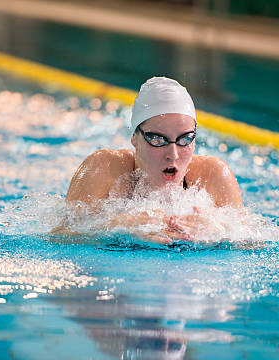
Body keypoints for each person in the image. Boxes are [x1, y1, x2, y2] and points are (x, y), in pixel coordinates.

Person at [61, 76, 243, 243]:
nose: (173, 154)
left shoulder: (213, 175)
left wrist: (219, 233)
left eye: (185, 139)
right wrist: (119, 227)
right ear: (134, 138)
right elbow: (60, 236)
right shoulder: (104, 168)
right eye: (157, 139)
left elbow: (251, 242)